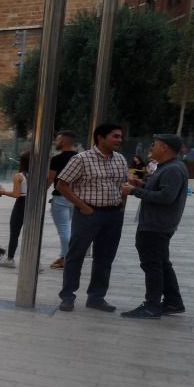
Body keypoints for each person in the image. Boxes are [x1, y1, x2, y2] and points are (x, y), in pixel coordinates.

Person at [55, 123, 128, 313]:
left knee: (105, 258)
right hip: (89, 214)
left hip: (113, 215)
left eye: (120, 137)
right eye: (115, 136)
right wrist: (83, 207)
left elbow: (122, 186)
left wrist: (121, 206)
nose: (119, 140)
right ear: (100, 138)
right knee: (75, 255)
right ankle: (68, 296)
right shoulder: (81, 159)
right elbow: (62, 186)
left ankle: (96, 297)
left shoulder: (120, 159)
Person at [121, 133, 189, 319]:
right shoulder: (168, 167)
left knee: (152, 265)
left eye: (155, 144)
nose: (152, 147)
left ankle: (151, 305)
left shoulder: (173, 169)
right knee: (162, 264)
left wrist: (135, 191)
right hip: (158, 224)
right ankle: (173, 302)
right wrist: (141, 184)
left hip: (156, 225)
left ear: (164, 147)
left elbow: (166, 197)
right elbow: (160, 189)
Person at [46, 130, 77, 269]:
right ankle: (66, 256)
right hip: (75, 198)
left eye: (57, 139)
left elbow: (50, 180)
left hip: (60, 197)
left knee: (64, 230)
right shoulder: (79, 157)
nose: (55, 142)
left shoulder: (57, 159)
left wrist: (40, 192)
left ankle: (66, 258)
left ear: (63, 141)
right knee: (68, 228)